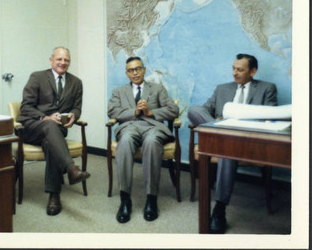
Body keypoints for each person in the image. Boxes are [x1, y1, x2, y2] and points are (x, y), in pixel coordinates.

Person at [188, 53, 278, 234]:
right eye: (233, 68)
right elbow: (203, 110)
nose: (235, 73)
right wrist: (218, 123)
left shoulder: (267, 88)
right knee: (194, 110)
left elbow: (271, 117)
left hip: (248, 140)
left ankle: (219, 208)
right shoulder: (222, 88)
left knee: (225, 149)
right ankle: (222, 133)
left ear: (253, 71)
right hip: (224, 139)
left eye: (240, 69)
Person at [17, 46, 90, 216]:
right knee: (50, 126)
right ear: (51, 60)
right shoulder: (37, 77)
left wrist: (73, 115)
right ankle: (71, 168)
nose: (62, 63)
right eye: (59, 59)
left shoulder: (76, 82)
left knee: (51, 143)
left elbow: (77, 108)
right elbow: (26, 107)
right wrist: (45, 117)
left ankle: (54, 196)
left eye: (66, 60)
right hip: (32, 127)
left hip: (56, 132)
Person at [108, 56, 179, 223]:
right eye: (131, 70)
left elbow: (173, 109)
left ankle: (151, 198)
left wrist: (150, 112)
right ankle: (125, 199)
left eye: (138, 69)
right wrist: (135, 112)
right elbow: (112, 112)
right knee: (124, 143)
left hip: (153, 127)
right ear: (126, 73)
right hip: (129, 127)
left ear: (144, 70)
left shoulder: (157, 89)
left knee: (152, 142)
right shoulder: (119, 91)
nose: (135, 73)